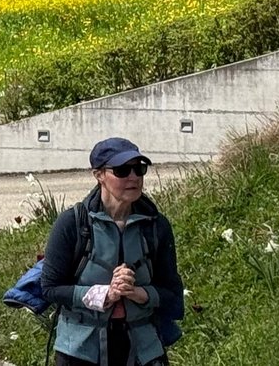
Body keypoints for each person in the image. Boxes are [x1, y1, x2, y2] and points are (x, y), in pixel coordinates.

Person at [39, 137, 184, 366]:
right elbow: (50, 288)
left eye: (139, 169)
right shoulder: (73, 223)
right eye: (122, 170)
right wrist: (104, 294)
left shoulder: (156, 225)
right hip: (80, 350)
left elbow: (172, 292)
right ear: (99, 175)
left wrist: (139, 293)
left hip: (142, 348)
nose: (133, 177)